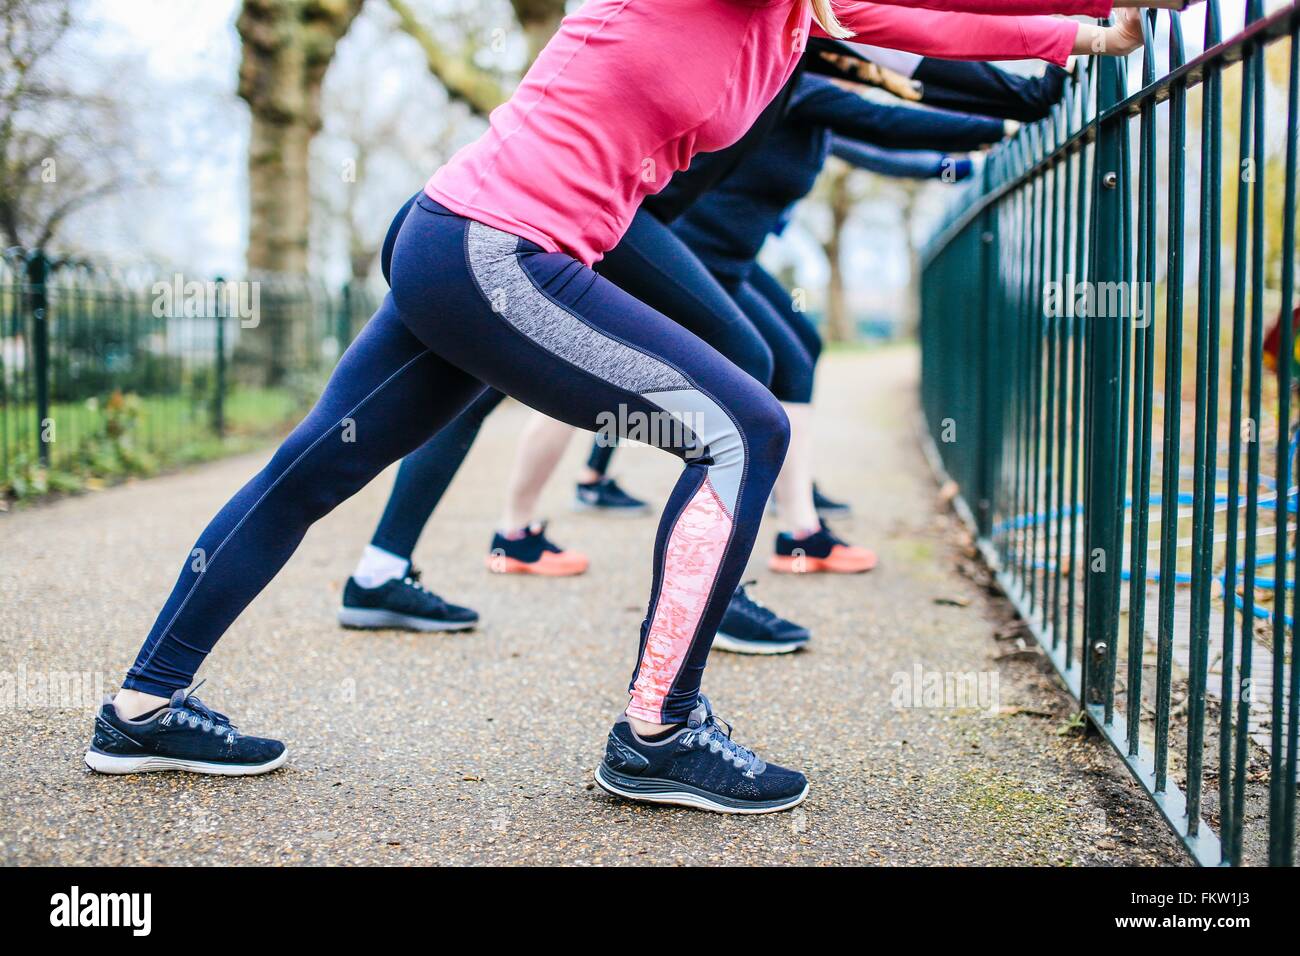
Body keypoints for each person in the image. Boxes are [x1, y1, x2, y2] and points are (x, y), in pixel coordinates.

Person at [89, 0, 1152, 816]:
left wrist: (1080, 33)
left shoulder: (792, 25)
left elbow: (916, 26)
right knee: (743, 430)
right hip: (499, 250)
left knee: (313, 470)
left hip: (462, 237)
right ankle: (659, 730)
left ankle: (141, 706)